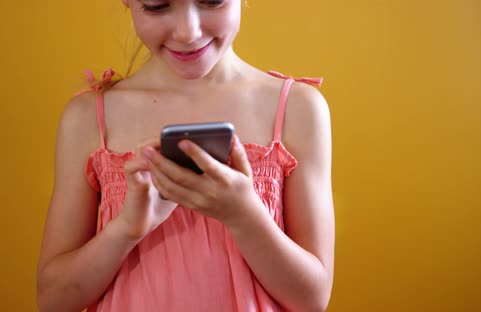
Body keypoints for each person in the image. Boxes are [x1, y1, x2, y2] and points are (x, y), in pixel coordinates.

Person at [36, 0, 335, 311]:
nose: (188, 32)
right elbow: (53, 301)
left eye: (211, 1)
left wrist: (244, 215)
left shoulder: (297, 109)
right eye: (157, 5)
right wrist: (126, 229)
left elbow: (311, 300)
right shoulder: (88, 118)